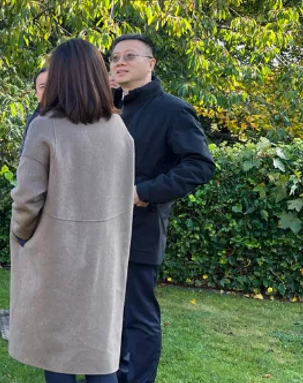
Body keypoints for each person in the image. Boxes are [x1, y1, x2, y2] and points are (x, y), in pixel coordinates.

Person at [8, 39, 135, 383]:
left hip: (55, 252)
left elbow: (26, 200)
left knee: (58, 350)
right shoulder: (119, 129)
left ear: (60, 78)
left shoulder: (44, 126)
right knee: (99, 352)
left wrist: (21, 235)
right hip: (104, 255)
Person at [109, 34, 214, 383]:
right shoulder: (108, 108)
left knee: (138, 316)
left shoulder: (173, 109)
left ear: (151, 64)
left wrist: (145, 191)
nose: (119, 62)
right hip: (100, 227)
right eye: (114, 57)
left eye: (129, 56)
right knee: (109, 313)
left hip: (141, 227)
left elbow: (200, 165)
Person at [20, 67, 48, 154]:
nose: (47, 90)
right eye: (42, 87)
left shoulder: (71, 117)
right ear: (36, 93)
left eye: (51, 85)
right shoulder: (33, 122)